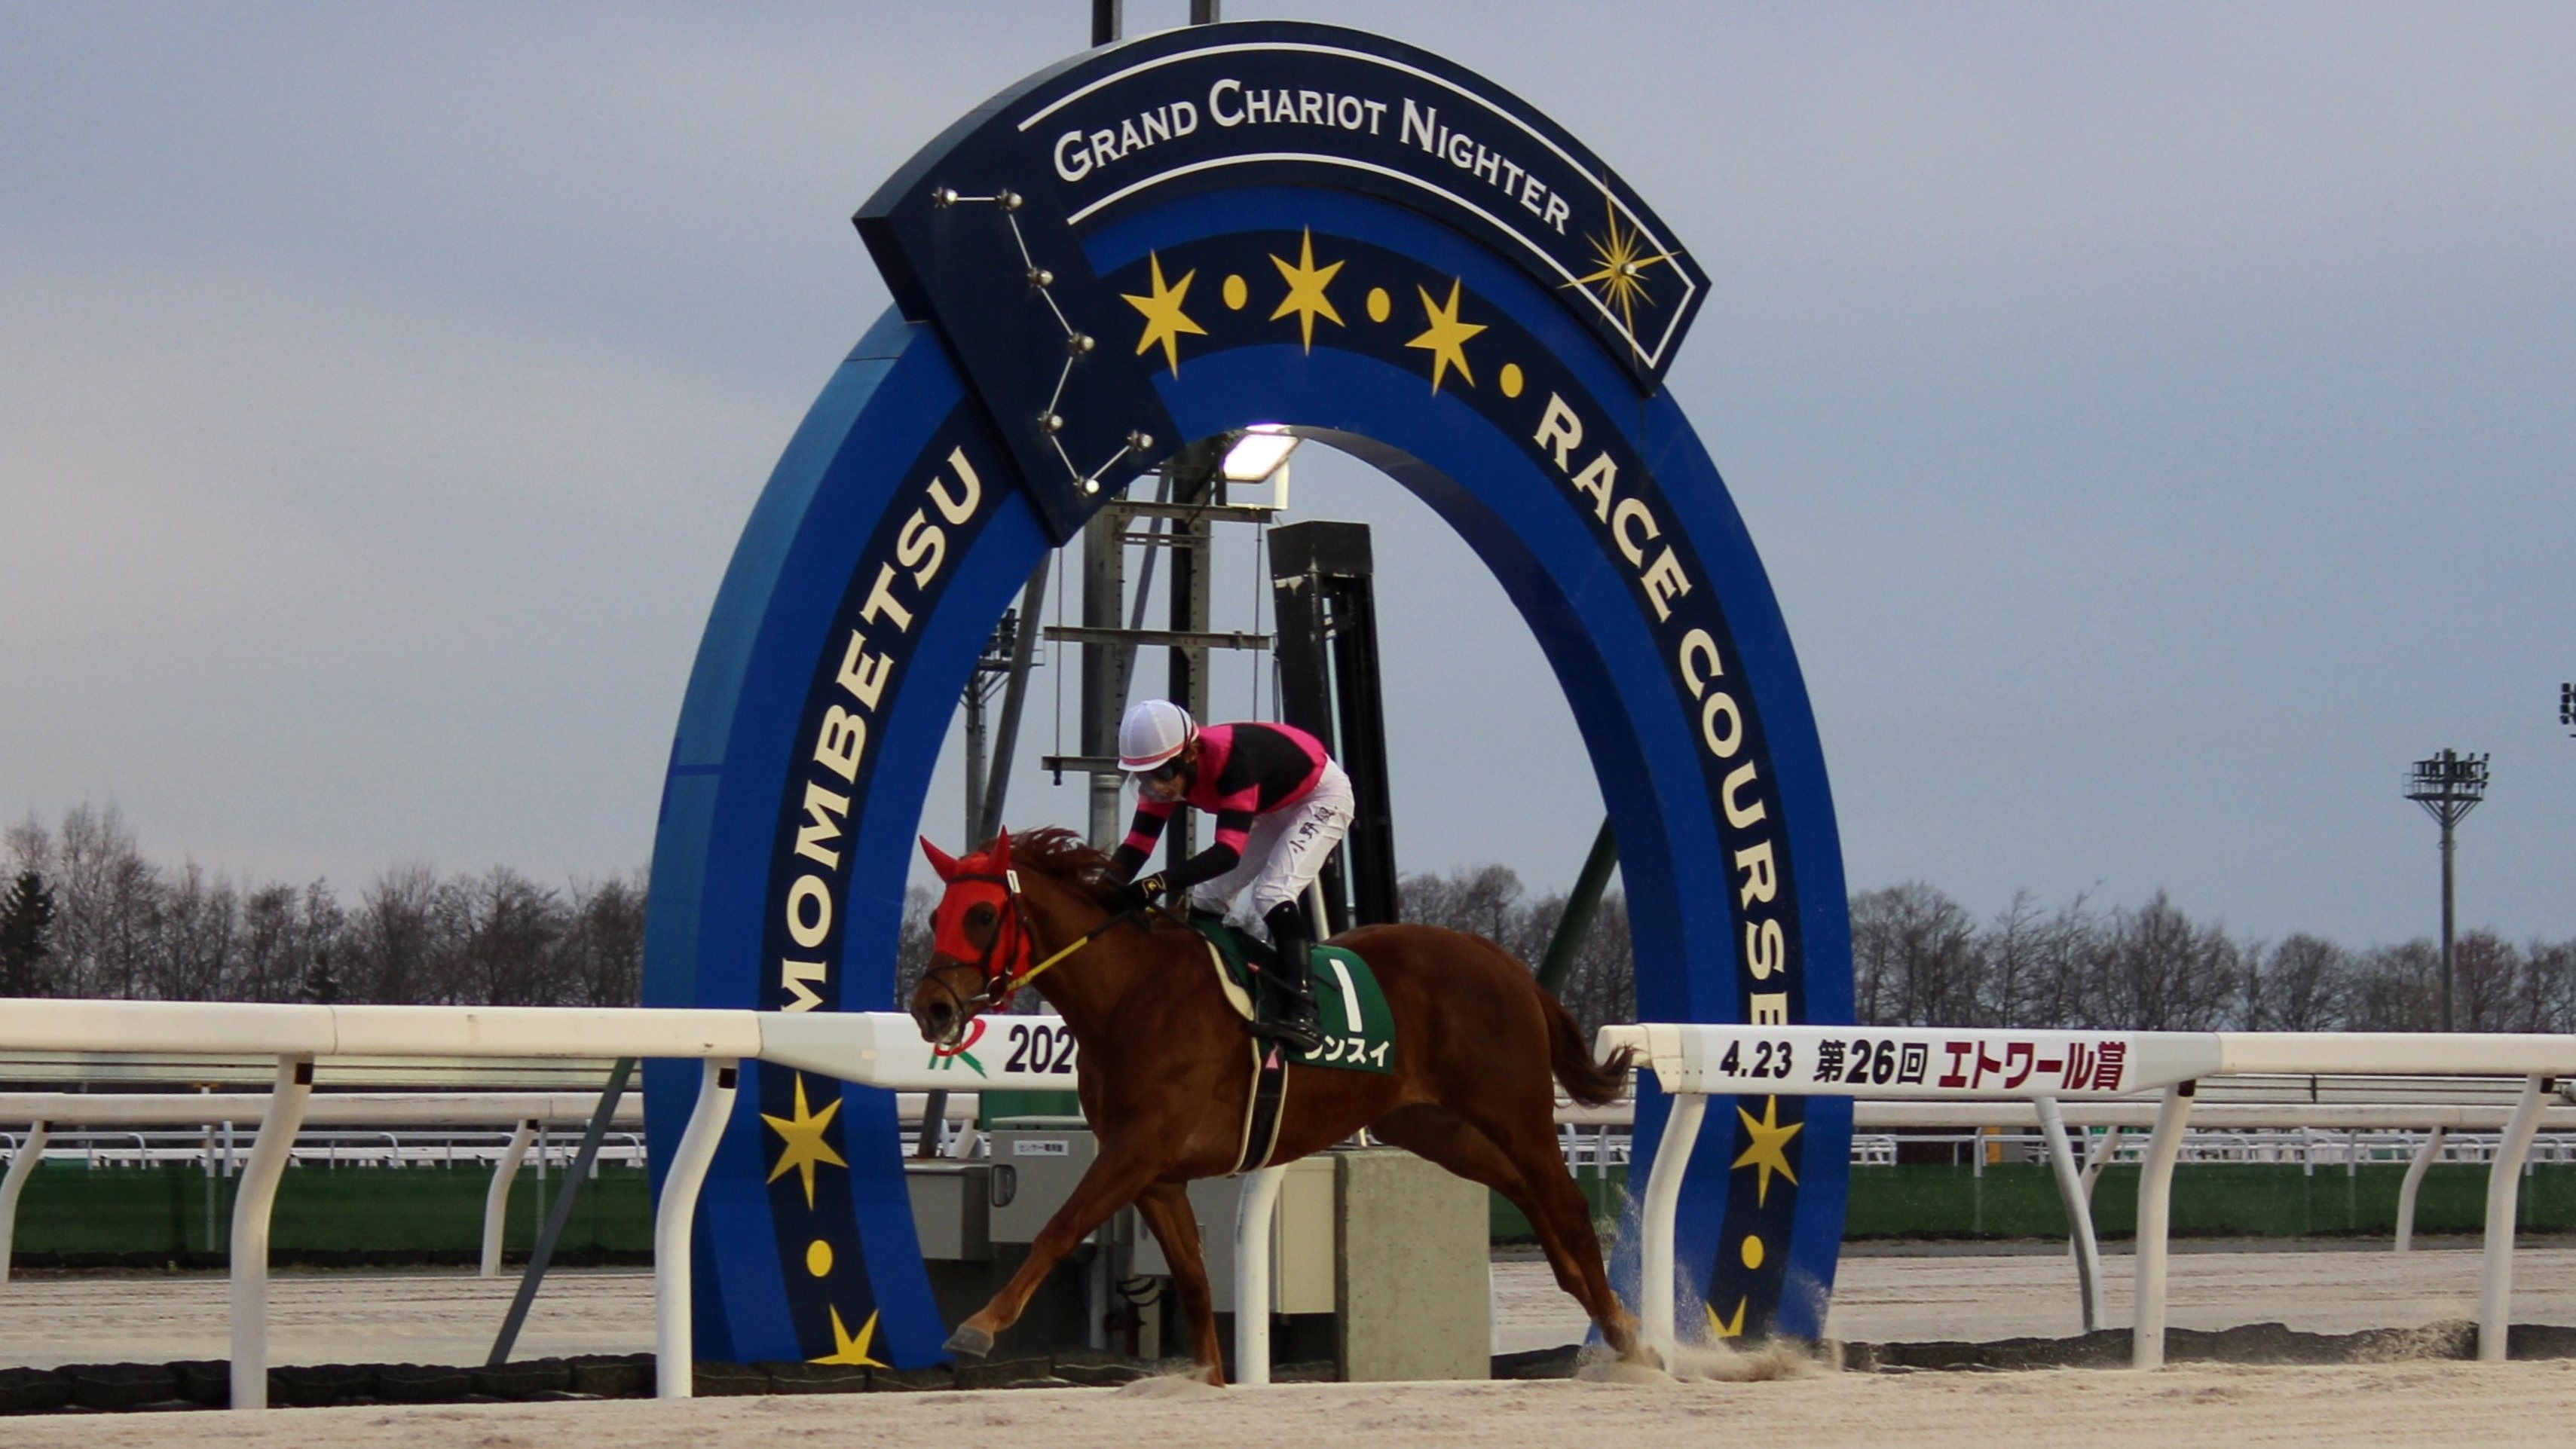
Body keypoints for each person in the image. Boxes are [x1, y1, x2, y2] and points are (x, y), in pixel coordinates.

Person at [1103, 699, 1352, 1053]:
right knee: (1207, 898)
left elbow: (1226, 853)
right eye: (1141, 777)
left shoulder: (1233, 761)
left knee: (1272, 892)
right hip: (1271, 803)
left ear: (1189, 754)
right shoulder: (1167, 774)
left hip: (1319, 797)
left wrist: (1155, 884)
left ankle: (1304, 1009)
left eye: (1158, 774)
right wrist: (1099, 891)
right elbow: (1137, 846)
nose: (1153, 787)